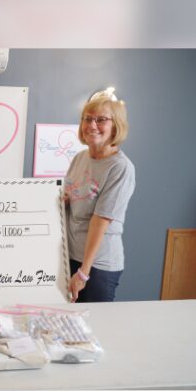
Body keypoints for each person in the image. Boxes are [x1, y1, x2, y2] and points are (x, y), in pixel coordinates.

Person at [63, 92, 136, 302]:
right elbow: (71, 197)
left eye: (101, 119)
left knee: (94, 327)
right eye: (87, 118)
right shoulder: (80, 158)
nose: (92, 125)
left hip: (97, 267)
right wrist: (65, 200)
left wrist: (84, 273)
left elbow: (100, 221)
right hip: (71, 257)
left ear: (116, 125)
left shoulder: (120, 167)